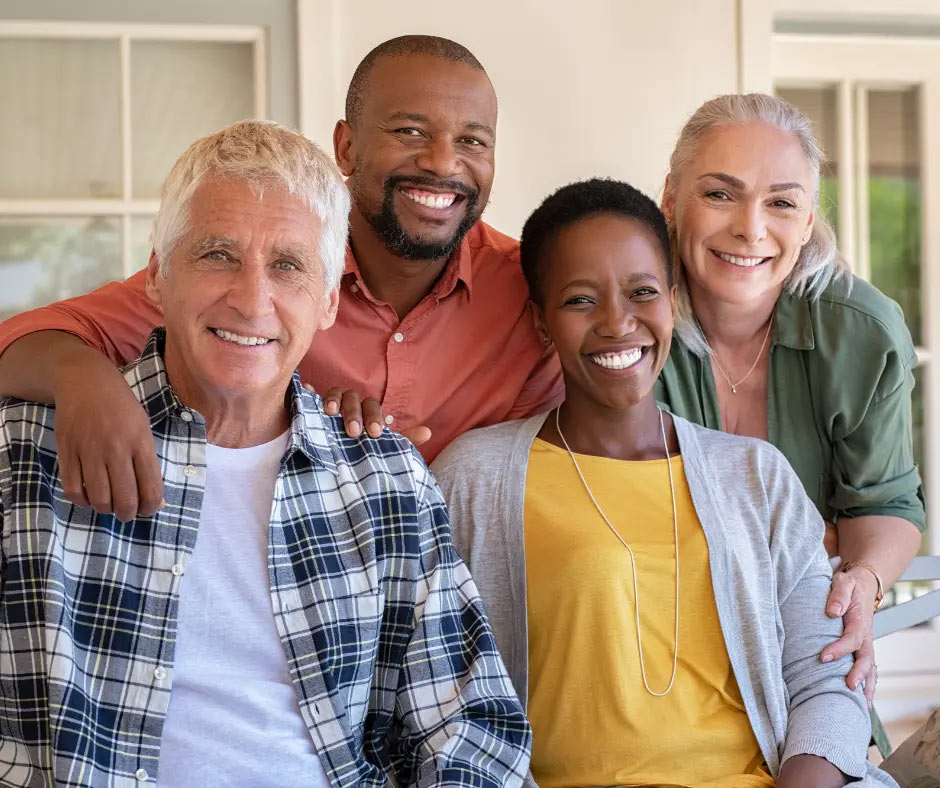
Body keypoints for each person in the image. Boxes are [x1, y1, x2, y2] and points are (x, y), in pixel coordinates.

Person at [0, 120, 531, 787]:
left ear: (329, 298)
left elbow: (471, 734)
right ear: (158, 277)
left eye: (287, 265)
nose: (253, 301)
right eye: (217, 255)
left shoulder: (384, 480)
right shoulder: (27, 455)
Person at [431, 178, 897, 788]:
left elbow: (828, 677)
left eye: (642, 292)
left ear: (670, 302)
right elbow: (435, 694)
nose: (617, 323)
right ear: (542, 323)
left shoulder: (755, 475)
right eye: (579, 300)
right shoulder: (474, 477)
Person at [0, 34, 562, 522]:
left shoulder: (529, 293)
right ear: (347, 146)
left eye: (472, 141)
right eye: (411, 132)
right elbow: (29, 339)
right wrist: (87, 383)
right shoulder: (257, 269)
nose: (443, 163)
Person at [656, 93, 925, 753]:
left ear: (808, 221)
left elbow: (886, 505)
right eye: (721, 194)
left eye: (781, 202)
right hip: (662, 652)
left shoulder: (860, 330)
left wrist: (858, 581)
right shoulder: (631, 320)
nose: (751, 229)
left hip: (805, 650)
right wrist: (794, 543)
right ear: (670, 197)